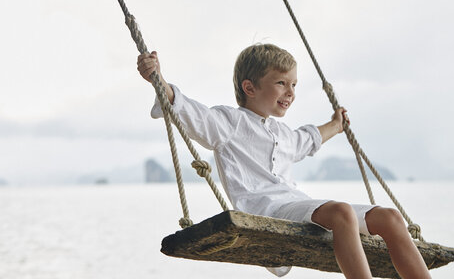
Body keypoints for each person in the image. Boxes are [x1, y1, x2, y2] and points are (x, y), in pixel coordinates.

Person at [137, 44, 431, 279]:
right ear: (250, 88)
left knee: (391, 218)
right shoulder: (229, 123)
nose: (290, 92)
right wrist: (158, 79)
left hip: (296, 205)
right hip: (266, 210)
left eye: (294, 84)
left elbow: (309, 139)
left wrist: (336, 124)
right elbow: (190, 112)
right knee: (341, 213)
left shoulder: (282, 133)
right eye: (281, 83)